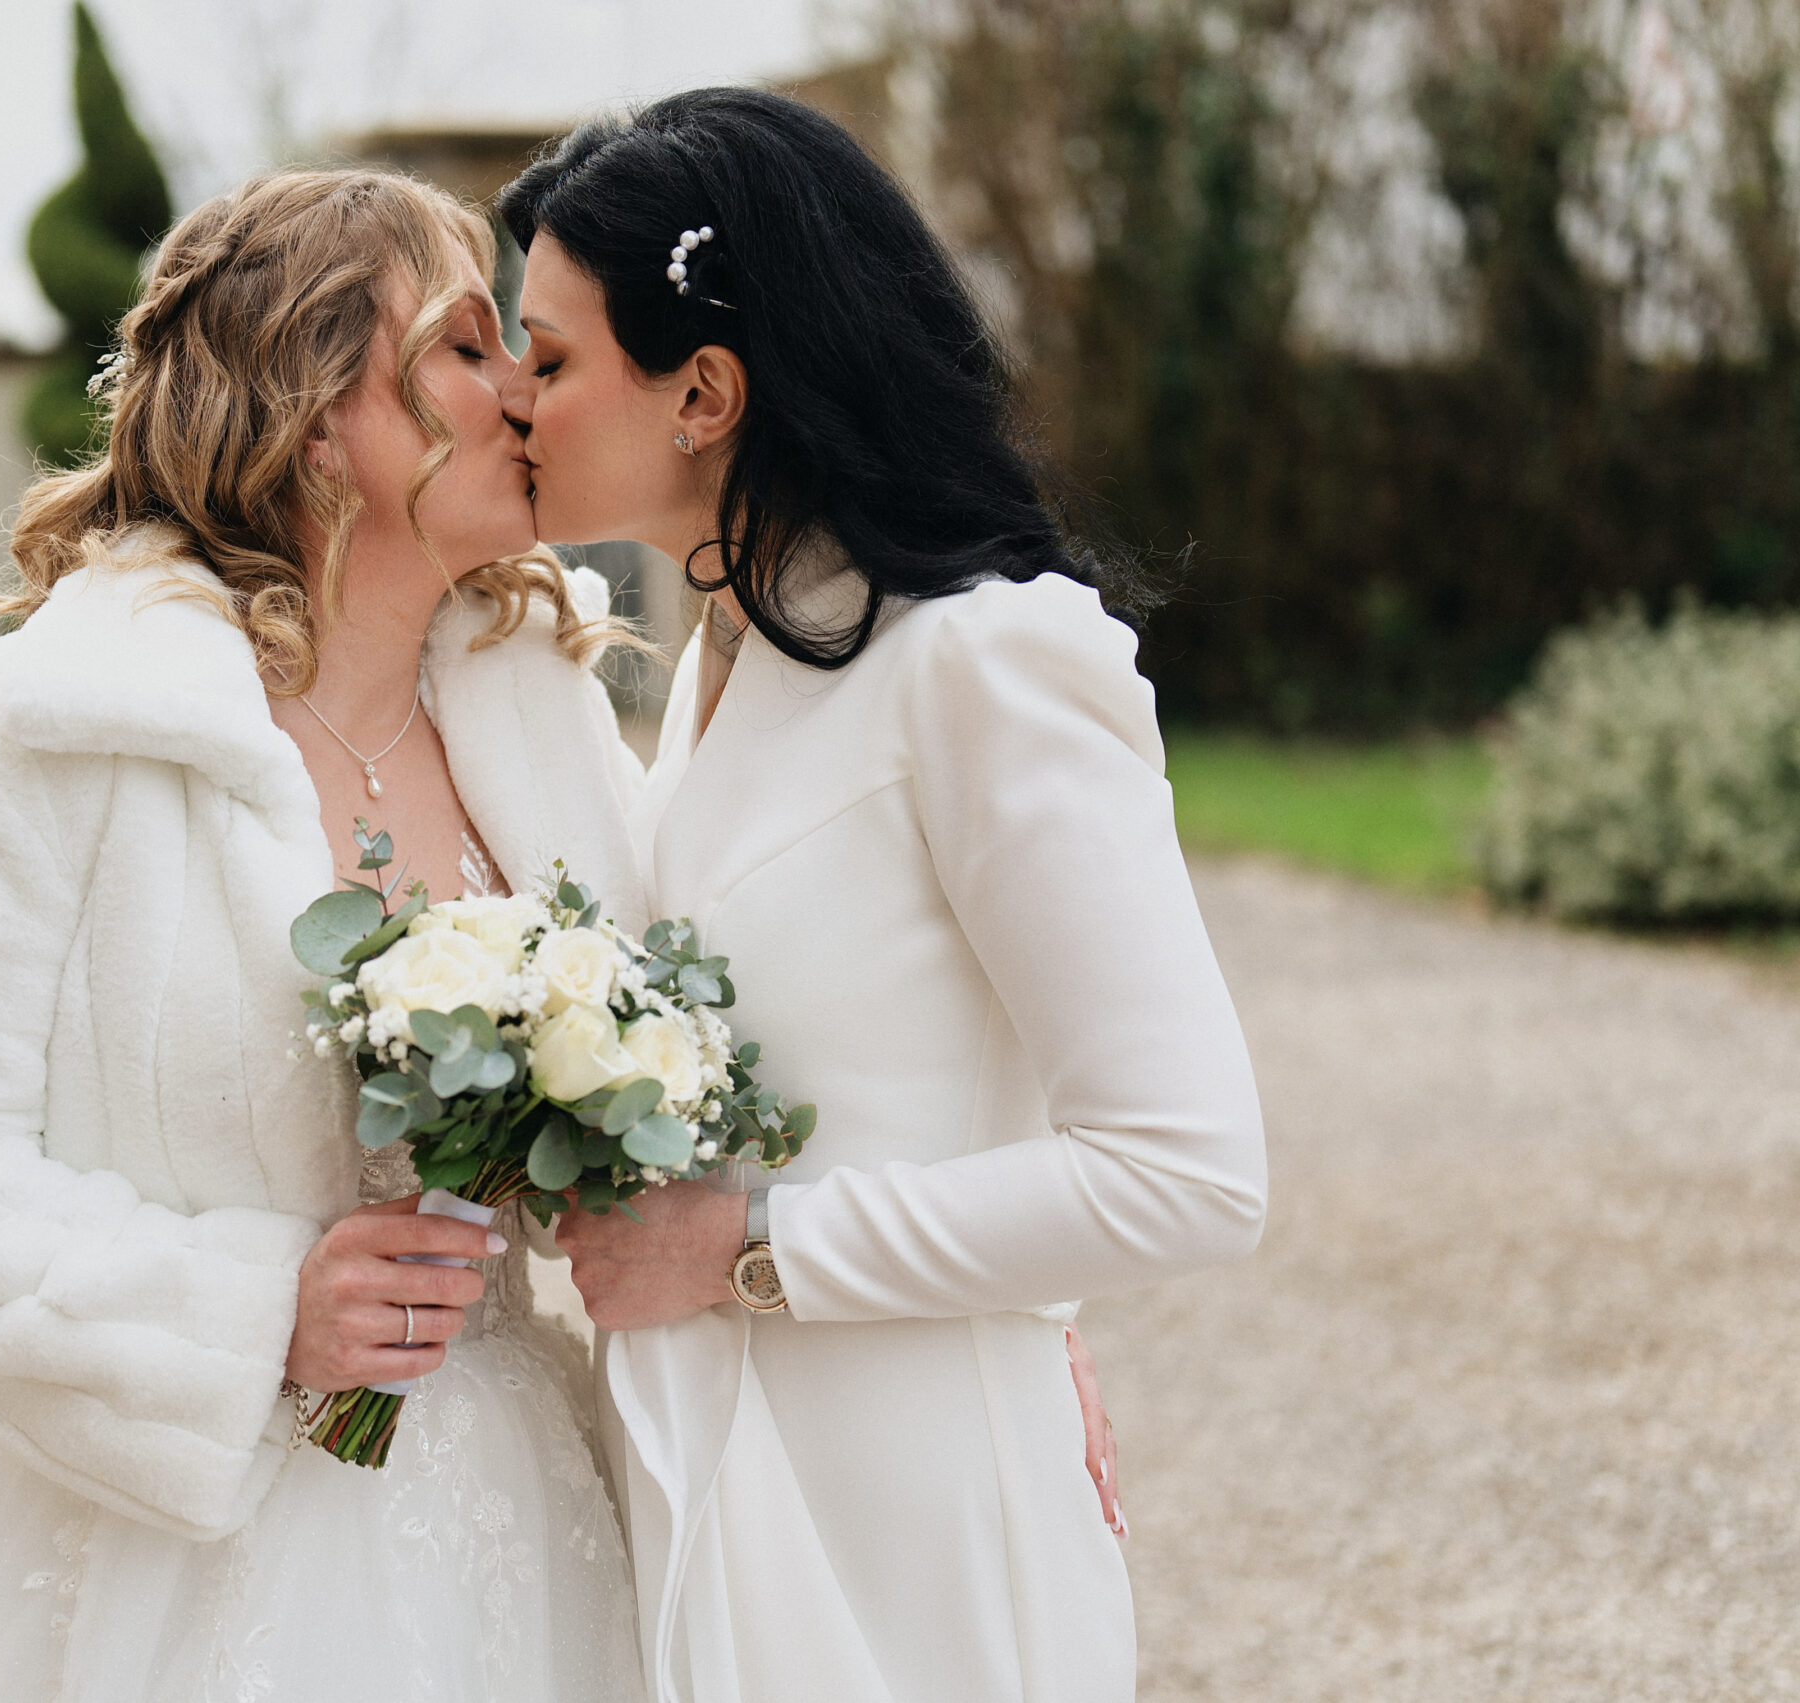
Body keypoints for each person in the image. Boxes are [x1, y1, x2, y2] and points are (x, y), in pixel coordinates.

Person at [0, 169, 650, 1702]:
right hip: (150, 1567)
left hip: (517, 1531)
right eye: (465, 345)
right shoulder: (42, 732)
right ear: (315, 419)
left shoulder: (546, 717)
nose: (523, 387)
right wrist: (253, 1318)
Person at [497, 89, 1270, 1703]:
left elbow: (1188, 1171)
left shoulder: (990, 660)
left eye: (550, 359)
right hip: (716, 1486)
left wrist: (749, 1248)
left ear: (703, 391)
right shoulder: (723, 653)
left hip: (913, 1517)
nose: (511, 397)